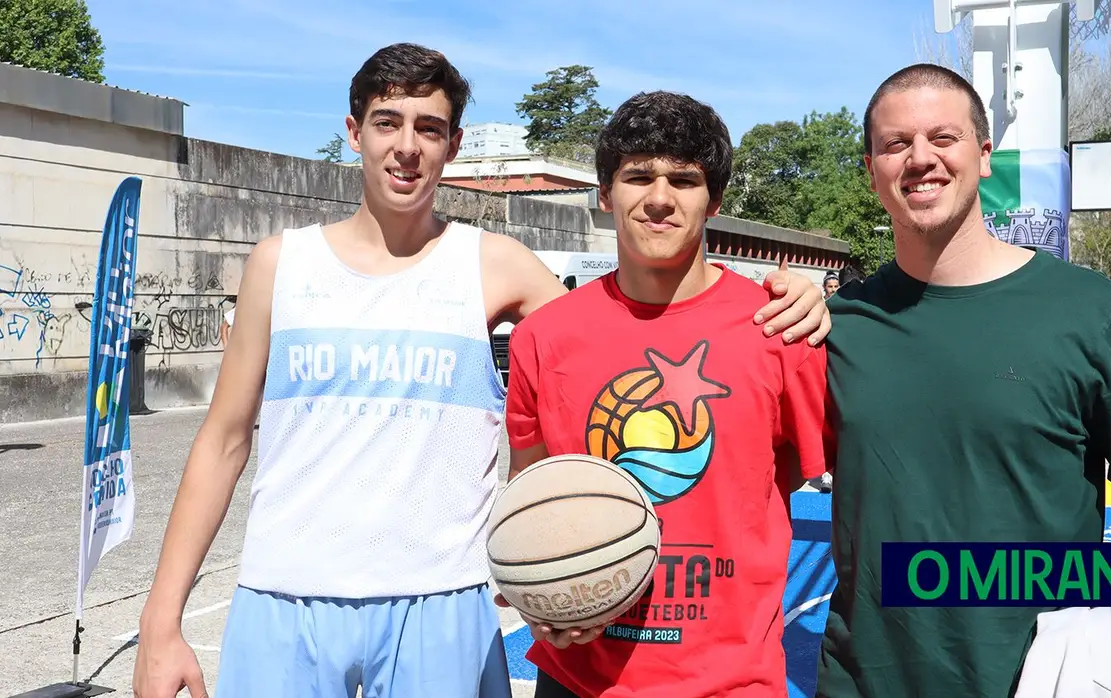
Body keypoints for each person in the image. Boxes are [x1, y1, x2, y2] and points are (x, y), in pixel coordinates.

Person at [130, 44, 834, 698]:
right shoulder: (281, 263)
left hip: (445, 600)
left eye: (429, 129)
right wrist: (162, 622)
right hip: (285, 595)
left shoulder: (494, 264)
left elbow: (630, 331)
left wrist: (798, 298)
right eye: (386, 123)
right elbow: (222, 441)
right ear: (354, 131)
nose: (407, 147)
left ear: (454, 145)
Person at [818, 63, 1111, 698]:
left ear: (984, 156)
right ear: (871, 171)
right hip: (863, 681)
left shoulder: (1090, 312)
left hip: (1045, 681)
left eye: (944, 137)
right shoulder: (836, 327)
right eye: (894, 144)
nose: (920, 159)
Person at [501, 90, 835, 697]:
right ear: (605, 194)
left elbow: (854, 491)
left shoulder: (782, 330)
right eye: (638, 177)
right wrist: (539, 594)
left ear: (716, 200)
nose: (659, 198)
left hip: (731, 682)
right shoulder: (542, 339)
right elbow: (531, 499)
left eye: (684, 179)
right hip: (579, 680)